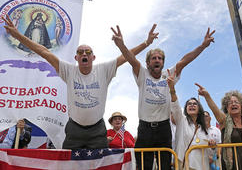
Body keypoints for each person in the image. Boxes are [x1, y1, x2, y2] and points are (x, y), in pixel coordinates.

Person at [2, 15, 158, 149]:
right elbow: (44, 51)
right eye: (80, 52)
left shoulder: (104, 70)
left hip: (97, 130)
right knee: (69, 164)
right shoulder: (68, 70)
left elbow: (126, 56)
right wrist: (17, 35)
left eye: (88, 52)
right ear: (76, 58)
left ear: (93, 58)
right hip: (74, 130)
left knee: (101, 164)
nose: (84, 53)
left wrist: (147, 42)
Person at [111, 24, 215, 170]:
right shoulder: (142, 73)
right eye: (154, 58)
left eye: (160, 58)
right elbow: (130, 58)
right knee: (144, 166)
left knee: (165, 165)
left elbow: (185, 60)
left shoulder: (169, 74)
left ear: (163, 62)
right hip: (145, 128)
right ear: (148, 63)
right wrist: (121, 45)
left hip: (163, 127)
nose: (157, 60)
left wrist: (203, 46)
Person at [167, 70, 214, 170]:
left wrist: (212, 146)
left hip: (202, 166)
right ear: (186, 108)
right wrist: (172, 88)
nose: (192, 105)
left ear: (199, 108)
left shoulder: (204, 129)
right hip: (184, 165)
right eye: (189, 104)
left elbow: (210, 152)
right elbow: (175, 104)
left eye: (194, 104)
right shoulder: (181, 120)